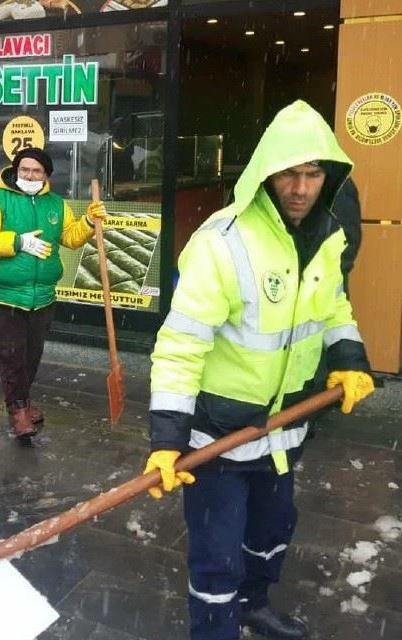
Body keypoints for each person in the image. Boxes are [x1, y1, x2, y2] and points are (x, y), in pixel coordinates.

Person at [142, 100, 374, 640]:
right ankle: (215, 629)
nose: (300, 188)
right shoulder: (222, 242)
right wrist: (168, 439)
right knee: (217, 557)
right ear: (266, 173)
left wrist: (349, 361)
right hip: (219, 439)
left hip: (285, 431)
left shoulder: (328, 236)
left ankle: (254, 605)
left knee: (271, 534)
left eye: (313, 174)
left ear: (329, 176)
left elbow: (334, 307)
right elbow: (180, 346)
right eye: (289, 173)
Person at [0, 147, 107, 439]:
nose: (30, 175)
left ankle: (22, 400)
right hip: (5, 295)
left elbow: (69, 238)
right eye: (24, 169)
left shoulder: (56, 204)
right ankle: (19, 411)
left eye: (36, 171)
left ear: (46, 175)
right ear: (15, 170)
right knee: (12, 356)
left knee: (31, 356)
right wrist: (18, 242)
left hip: (43, 295)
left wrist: (87, 222)